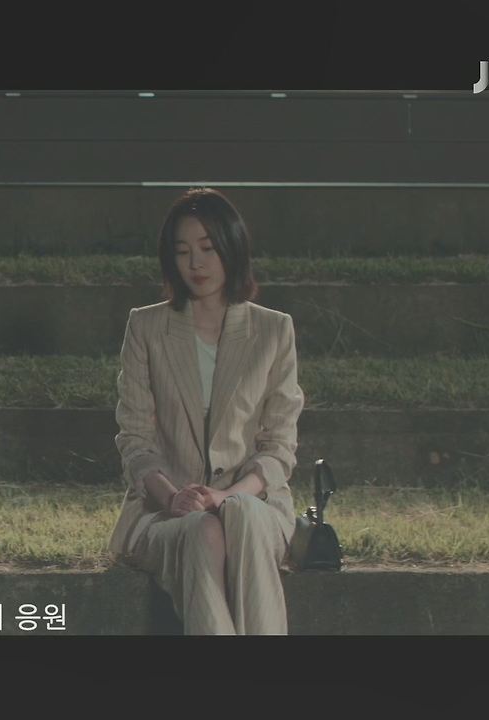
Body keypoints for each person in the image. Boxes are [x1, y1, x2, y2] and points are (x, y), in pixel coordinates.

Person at [107, 188, 304, 635]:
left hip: (255, 506)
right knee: (203, 531)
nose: (195, 263)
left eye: (207, 248)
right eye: (182, 252)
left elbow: (278, 448)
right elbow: (135, 441)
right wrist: (173, 497)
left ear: (231, 248)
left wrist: (227, 496)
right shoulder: (146, 327)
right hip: (164, 513)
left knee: (241, 515)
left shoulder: (273, 330)